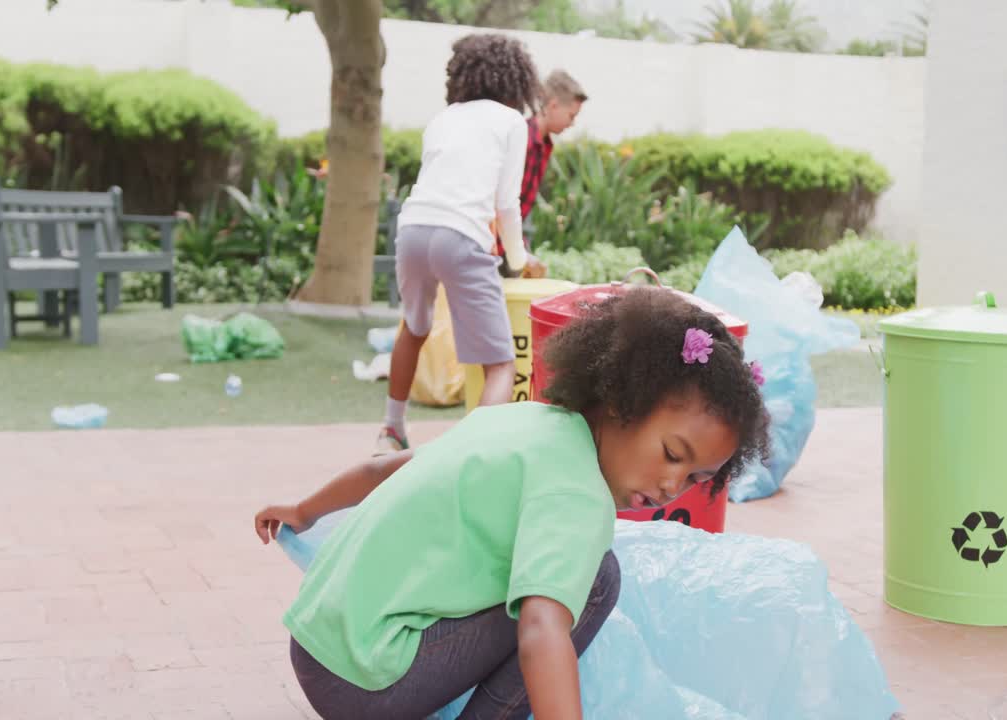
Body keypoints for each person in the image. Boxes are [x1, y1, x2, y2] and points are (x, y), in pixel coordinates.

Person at [255, 288, 771, 720]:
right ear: (622, 404)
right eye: (672, 454)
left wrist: (305, 510)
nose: (673, 485)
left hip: (314, 645)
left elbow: (384, 468)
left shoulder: (522, 421)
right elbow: (540, 631)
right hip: (365, 685)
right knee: (597, 580)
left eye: (697, 478)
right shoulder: (577, 494)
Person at [376, 34, 542, 454]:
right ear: (517, 80)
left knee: (414, 328)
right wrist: (519, 259)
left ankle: (391, 430)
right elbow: (506, 204)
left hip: (413, 231)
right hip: (462, 237)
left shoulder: (442, 119)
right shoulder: (511, 122)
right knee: (501, 365)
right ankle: (467, 455)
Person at [496, 69, 589, 279]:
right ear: (553, 105)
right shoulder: (525, 140)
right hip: (496, 244)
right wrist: (518, 253)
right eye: (571, 115)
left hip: (509, 242)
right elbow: (502, 202)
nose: (572, 123)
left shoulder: (543, 145)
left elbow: (521, 206)